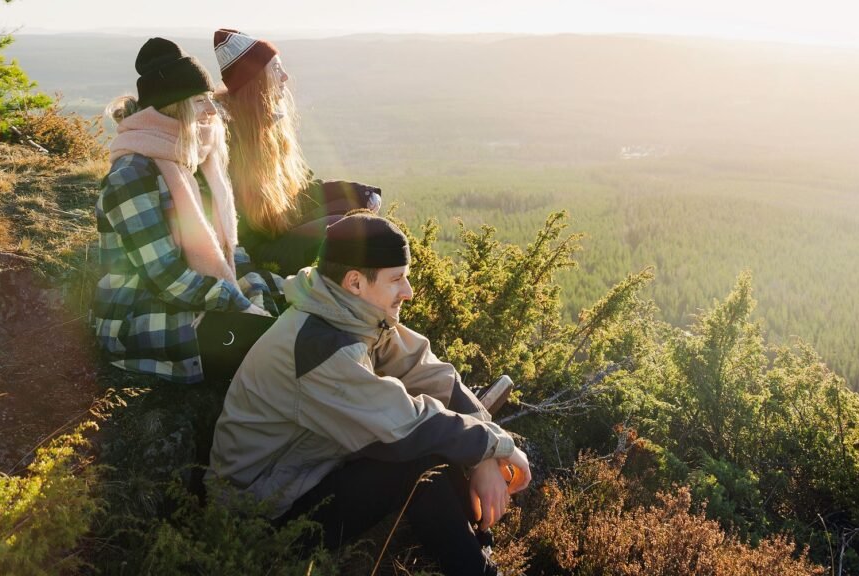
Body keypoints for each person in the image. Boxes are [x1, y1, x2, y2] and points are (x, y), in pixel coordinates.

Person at [207, 213, 531, 576]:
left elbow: (435, 377)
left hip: (306, 474)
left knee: (448, 436)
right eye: (397, 279)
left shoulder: (354, 315)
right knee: (423, 457)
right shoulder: (319, 349)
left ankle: (478, 553)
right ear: (356, 282)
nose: (408, 291)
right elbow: (409, 427)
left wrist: (487, 451)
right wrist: (492, 445)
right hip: (259, 516)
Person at [94, 37, 278, 385]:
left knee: (303, 320)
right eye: (199, 101)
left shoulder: (192, 163)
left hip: (192, 303)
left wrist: (255, 293)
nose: (212, 110)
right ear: (171, 108)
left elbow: (229, 252)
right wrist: (238, 303)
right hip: (142, 319)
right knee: (280, 360)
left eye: (210, 98)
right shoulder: (131, 175)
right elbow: (165, 276)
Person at [212, 28, 383, 275]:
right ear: (255, 82)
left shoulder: (268, 128)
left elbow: (298, 192)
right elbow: (237, 233)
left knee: (352, 206)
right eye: (275, 69)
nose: (285, 77)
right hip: (256, 255)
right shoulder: (228, 140)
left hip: (278, 231)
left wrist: (360, 193)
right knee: (348, 226)